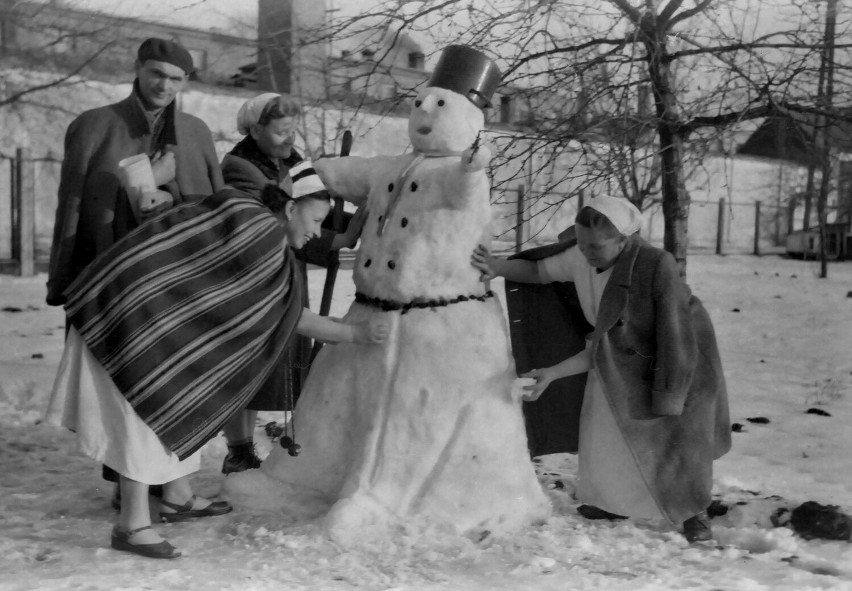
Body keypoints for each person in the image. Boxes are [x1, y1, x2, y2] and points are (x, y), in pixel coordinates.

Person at [46, 169, 389, 559]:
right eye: (314, 221)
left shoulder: (244, 212)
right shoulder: (260, 236)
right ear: (291, 207)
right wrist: (355, 335)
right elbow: (289, 314)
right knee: (145, 412)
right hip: (130, 322)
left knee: (184, 397)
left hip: (133, 311)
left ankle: (176, 496)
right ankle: (132, 524)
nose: (316, 233)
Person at [471, 194, 731, 543]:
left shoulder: (655, 266)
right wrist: (498, 266)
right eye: (581, 243)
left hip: (675, 356)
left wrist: (670, 389)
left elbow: (674, 331)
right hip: (615, 352)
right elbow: (537, 270)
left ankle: (694, 512)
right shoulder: (581, 257)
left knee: (675, 434)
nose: (587, 252)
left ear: (623, 240)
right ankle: (611, 501)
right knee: (603, 428)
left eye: (596, 245)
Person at [45, 37, 225, 503]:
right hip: (114, 282)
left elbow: (213, 208)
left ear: (186, 81)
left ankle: (173, 489)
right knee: (121, 384)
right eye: (156, 74)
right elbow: (74, 209)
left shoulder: (197, 132)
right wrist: (64, 279)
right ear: (139, 69)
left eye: (176, 78)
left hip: (178, 283)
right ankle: (130, 494)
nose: (164, 85)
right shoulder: (93, 126)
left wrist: (170, 195)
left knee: (176, 378)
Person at [217, 93, 366, 474]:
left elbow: (310, 210)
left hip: (285, 268)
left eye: (293, 129)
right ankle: (238, 448)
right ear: (255, 129)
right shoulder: (239, 168)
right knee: (246, 365)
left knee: (268, 363)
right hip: (252, 276)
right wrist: (335, 240)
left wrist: (341, 226)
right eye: (281, 131)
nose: (289, 138)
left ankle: (244, 448)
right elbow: (277, 218)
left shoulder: (291, 161)